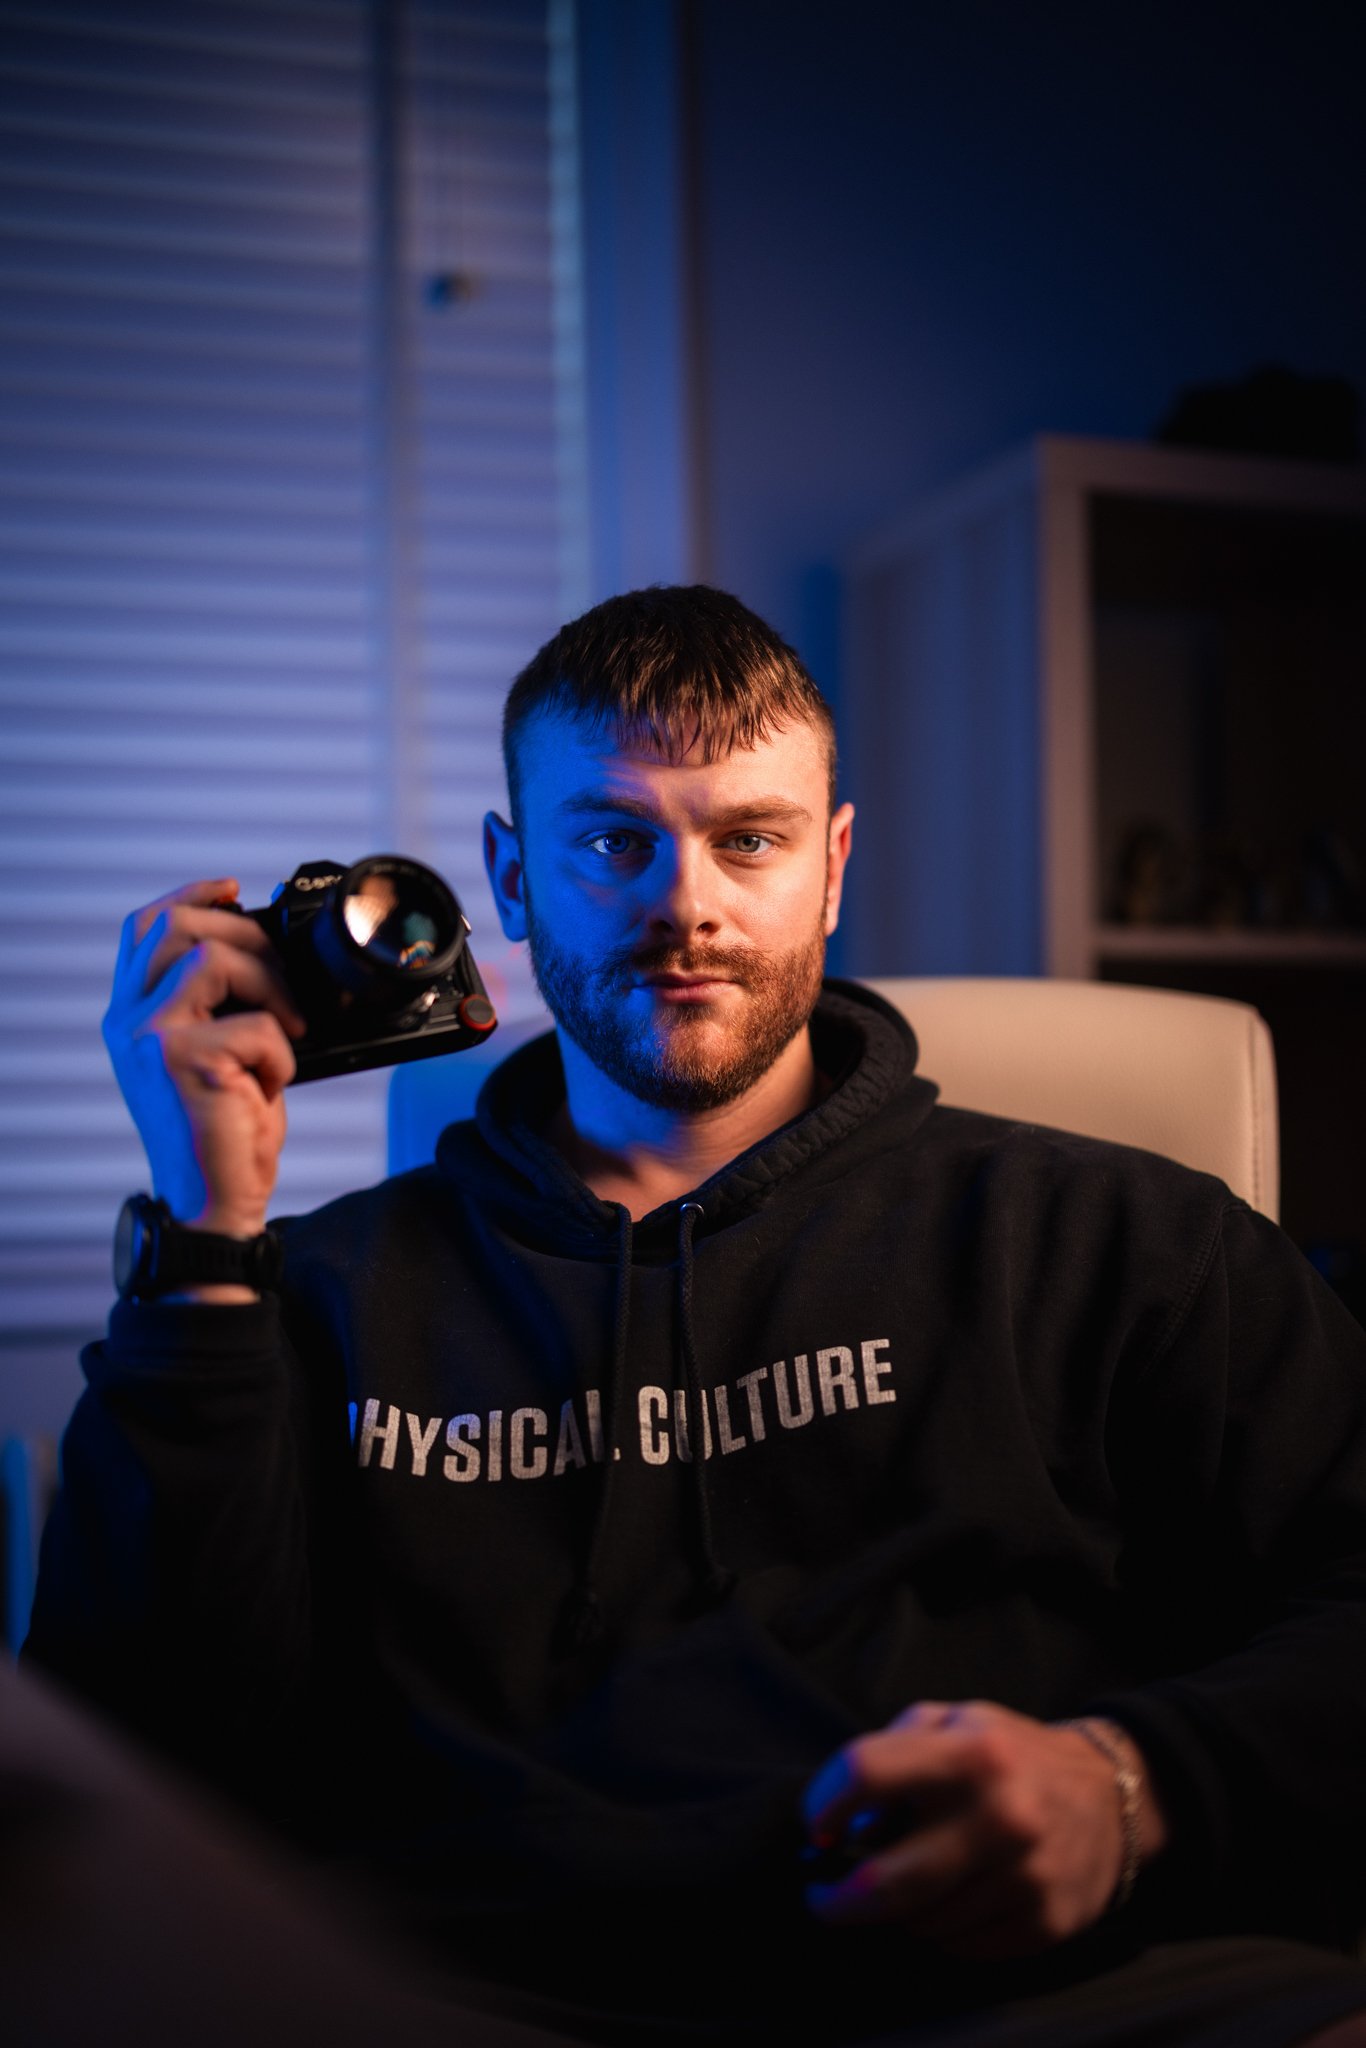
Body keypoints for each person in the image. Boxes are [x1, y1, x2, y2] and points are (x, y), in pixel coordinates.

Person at [25, 585, 1366, 2046]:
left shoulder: (1116, 1239)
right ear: (514, 875)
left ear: (833, 864)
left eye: (749, 838)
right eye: (611, 840)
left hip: (1031, 2006)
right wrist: (207, 1244)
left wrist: (1130, 1788)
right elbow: (121, 1774)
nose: (685, 904)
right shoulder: (306, 1304)